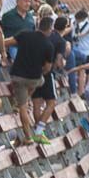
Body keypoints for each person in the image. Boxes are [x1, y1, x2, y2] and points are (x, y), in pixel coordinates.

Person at [8, 16, 55, 146]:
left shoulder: (25, 34)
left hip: (17, 76)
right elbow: (47, 68)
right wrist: (40, 71)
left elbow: (7, 42)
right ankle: (29, 136)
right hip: (34, 79)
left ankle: (28, 135)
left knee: (22, 107)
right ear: (50, 28)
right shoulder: (48, 45)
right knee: (40, 82)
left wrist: (2, 52)